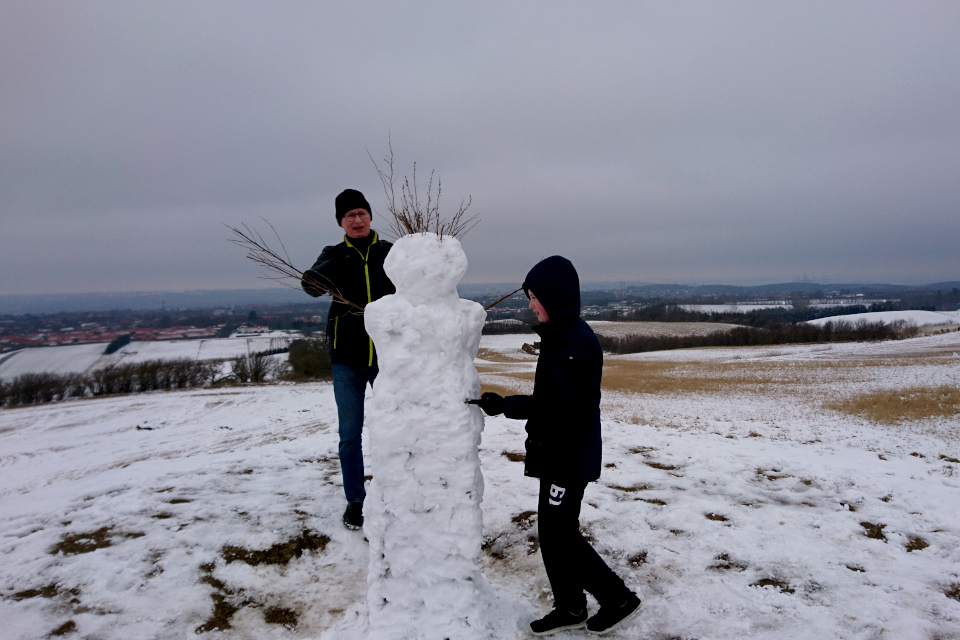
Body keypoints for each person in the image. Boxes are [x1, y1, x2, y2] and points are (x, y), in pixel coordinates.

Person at [473, 256, 641, 636]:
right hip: (556, 451)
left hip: (569, 455)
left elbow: (557, 406)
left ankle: (617, 598)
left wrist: (506, 405)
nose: (531, 305)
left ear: (555, 296)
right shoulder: (560, 335)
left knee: (561, 535)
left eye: (535, 297)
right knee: (552, 532)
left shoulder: (574, 344)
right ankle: (570, 606)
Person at [301, 188, 395, 530]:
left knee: (395, 429)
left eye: (361, 214)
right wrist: (339, 260)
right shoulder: (334, 254)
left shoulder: (390, 252)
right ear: (341, 223)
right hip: (347, 360)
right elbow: (310, 286)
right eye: (349, 216)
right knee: (349, 432)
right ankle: (356, 500)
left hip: (388, 358)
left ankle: (396, 491)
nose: (357, 220)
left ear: (370, 217)